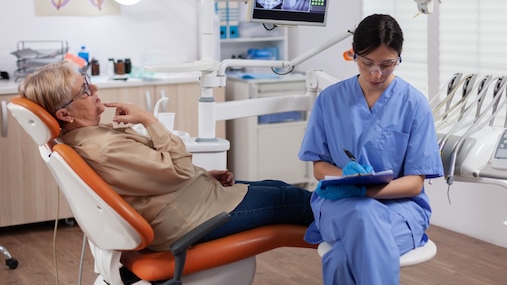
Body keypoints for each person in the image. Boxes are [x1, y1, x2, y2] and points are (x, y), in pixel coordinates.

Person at [18, 61, 313, 251]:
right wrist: (149, 120)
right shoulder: (103, 148)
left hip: (189, 202)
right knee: (295, 202)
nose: (93, 87)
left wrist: (201, 176)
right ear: (64, 113)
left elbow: (152, 181)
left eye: (86, 80)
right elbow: (178, 172)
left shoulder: (94, 137)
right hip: (192, 219)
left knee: (279, 187)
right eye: (83, 89)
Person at [298, 13, 444, 285]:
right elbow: (319, 167)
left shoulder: (414, 104)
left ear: (399, 57)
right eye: (367, 63)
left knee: (342, 256)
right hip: (342, 203)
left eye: (387, 64)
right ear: (352, 55)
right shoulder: (329, 100)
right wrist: (346, 178)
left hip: (399, 208)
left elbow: (414, 184)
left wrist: (367, 190)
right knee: (361, 213)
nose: (376, 73)